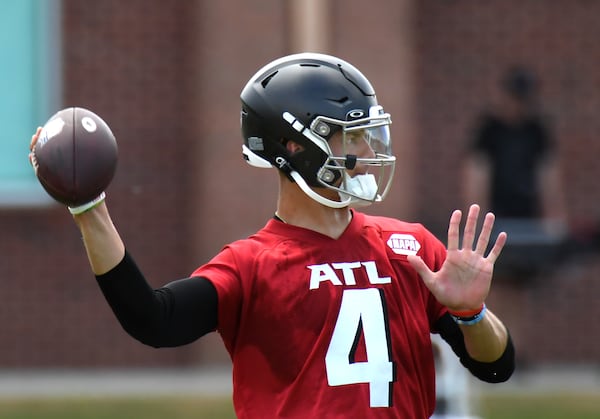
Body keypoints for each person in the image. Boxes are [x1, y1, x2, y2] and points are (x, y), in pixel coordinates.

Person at [30, 53, 514, 418]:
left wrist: (472, 315)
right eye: (349, 136)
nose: (366, 150)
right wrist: (88, 208)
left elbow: (496, 366)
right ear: (292, 146)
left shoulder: (409, 248)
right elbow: (155, 319)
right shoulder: (253, 265)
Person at [463, 66, 568, 277]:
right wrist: (476, 220)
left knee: (524, 280)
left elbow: (548, 176)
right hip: (496, 217)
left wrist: (555, 217)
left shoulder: (536, 130)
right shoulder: (489, 129)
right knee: (491, 277)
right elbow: (476, 175)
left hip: (528, 219)